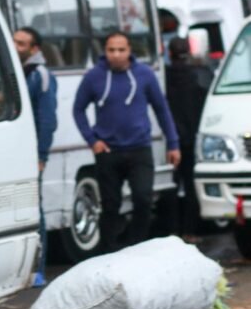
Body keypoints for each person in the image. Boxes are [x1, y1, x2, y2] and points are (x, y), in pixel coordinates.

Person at [72, 31, 181, 252]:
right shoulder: (94, 76)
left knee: (143, 199)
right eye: (111, 50)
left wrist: (173, 143)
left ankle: (137, 247)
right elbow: (78, 109)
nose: (116, 55)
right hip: (108, 151)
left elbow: (162, 109)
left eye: (121, 50)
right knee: (110, 205)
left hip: (139, 148)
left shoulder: (144, 74)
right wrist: (92, 140)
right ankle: (109, 251)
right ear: (105, 52)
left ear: (130, 51)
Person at [12, 26, 58, 287]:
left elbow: (47, 118)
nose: (16, 47)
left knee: (34, 210)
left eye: (22, 44)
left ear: (34, 49)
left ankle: (37, 269)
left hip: (31, 155)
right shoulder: (15, 69)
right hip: (14, 153)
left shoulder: (39, 74)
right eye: (14, 42)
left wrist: (41, 155)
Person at [165, 36, 209, 242]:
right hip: (192, 137)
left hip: (171, 140)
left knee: (171, 186)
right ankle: (190, 230)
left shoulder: (163, 77)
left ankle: (172, 230)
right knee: (191, 185)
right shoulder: (199, 75)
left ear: (169, 53)